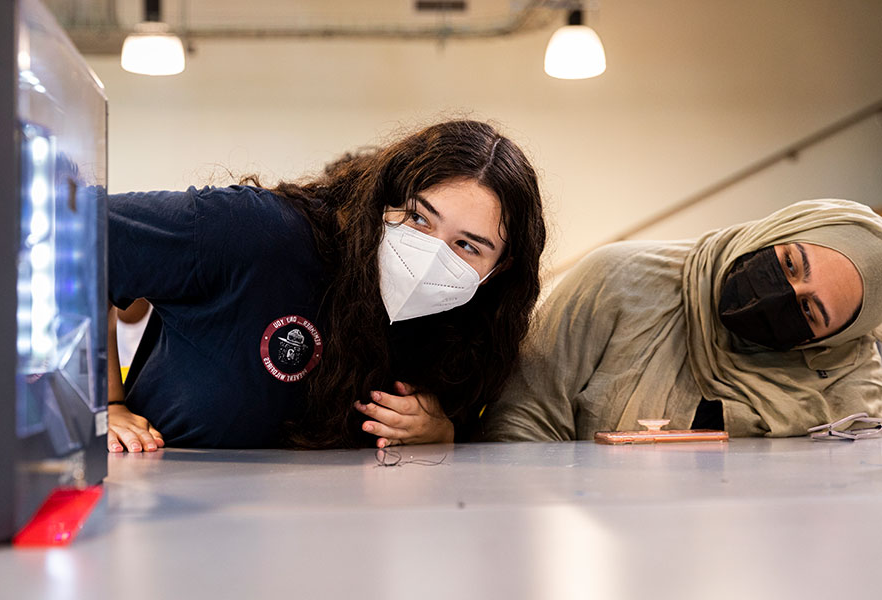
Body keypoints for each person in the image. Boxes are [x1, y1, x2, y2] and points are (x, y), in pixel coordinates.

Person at [107, 120, 547, 452]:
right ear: (385, 196)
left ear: (499, 268)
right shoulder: (255, 234)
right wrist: (104, 405)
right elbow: (77, 233)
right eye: (418, 217)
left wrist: (442, 431)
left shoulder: (468, 334)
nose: (432, 255)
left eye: (467, 246)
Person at [482, 199, 882, 441]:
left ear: (825, 343)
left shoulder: (845, 377)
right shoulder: (617, 279)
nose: (784, 293)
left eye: (810, 311)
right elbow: (520, 418)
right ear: (777, 230)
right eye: (790, 263)